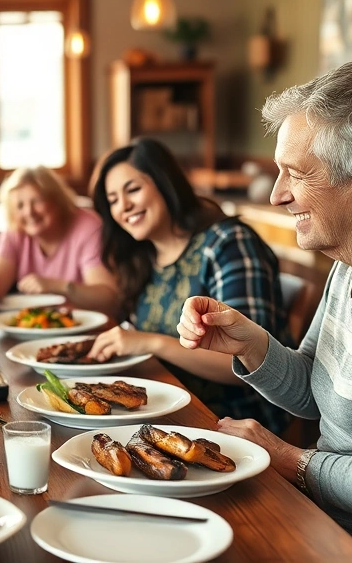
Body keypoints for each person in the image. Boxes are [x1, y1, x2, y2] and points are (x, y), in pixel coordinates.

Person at [177, 63, 352, 562]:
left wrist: (294, 461)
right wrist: (251, 343)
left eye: (297, 174)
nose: (276, 194)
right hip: (327, 526)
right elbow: (317, 393)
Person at [88, 138, 290, 433]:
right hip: (167, 408)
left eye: (132, 189)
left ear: (164, 183)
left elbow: (249, 361)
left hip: (232, 420)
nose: (124, 207)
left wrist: (150, 341)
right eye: (113, 200)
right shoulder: (144, 257)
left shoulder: (228, 243)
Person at [0, 166, 118, 311]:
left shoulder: (87, 226)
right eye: (20, 206)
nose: (29, 212)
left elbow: (108, 299)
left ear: (57, 200)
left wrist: (57, 286)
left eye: (37, 201)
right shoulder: (15, 229)